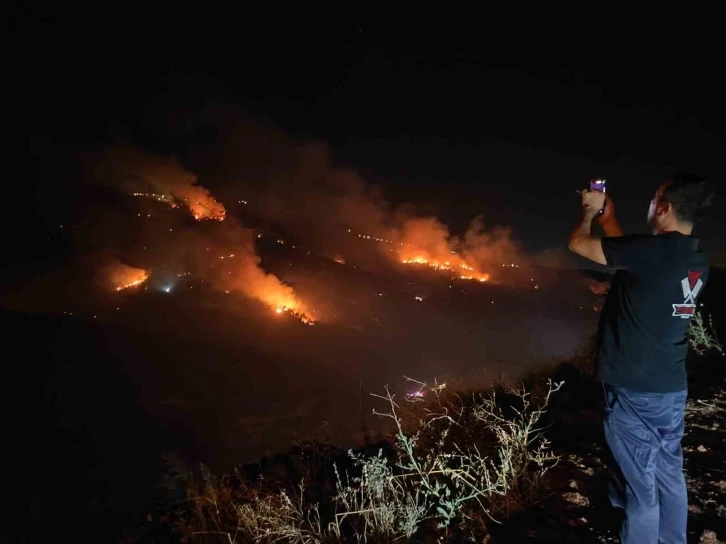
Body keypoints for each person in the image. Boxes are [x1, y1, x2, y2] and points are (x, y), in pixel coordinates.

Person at [567, 173, 716, 544]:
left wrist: (588, 213)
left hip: (634, 390)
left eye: (653, 199)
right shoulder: (694, 258)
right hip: (669, 388)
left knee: (640, 489)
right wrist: (609, 219)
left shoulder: (652, 253)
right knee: (668, 473)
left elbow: (578, 244)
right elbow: (629, 257)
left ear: (663, 208)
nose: (650, 206)